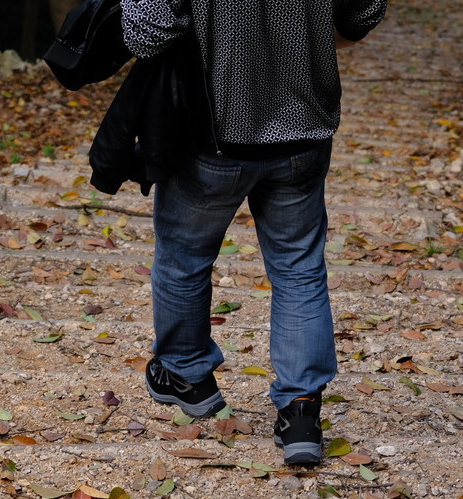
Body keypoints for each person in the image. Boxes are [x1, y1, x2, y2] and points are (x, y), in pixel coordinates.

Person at [120, 0, 387, 465]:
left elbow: (145, 32)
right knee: (299, 269)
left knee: (184, 257)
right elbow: (362, 14)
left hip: (211, 133)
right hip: (303, 132)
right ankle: (301, 410)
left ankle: (186, 376)